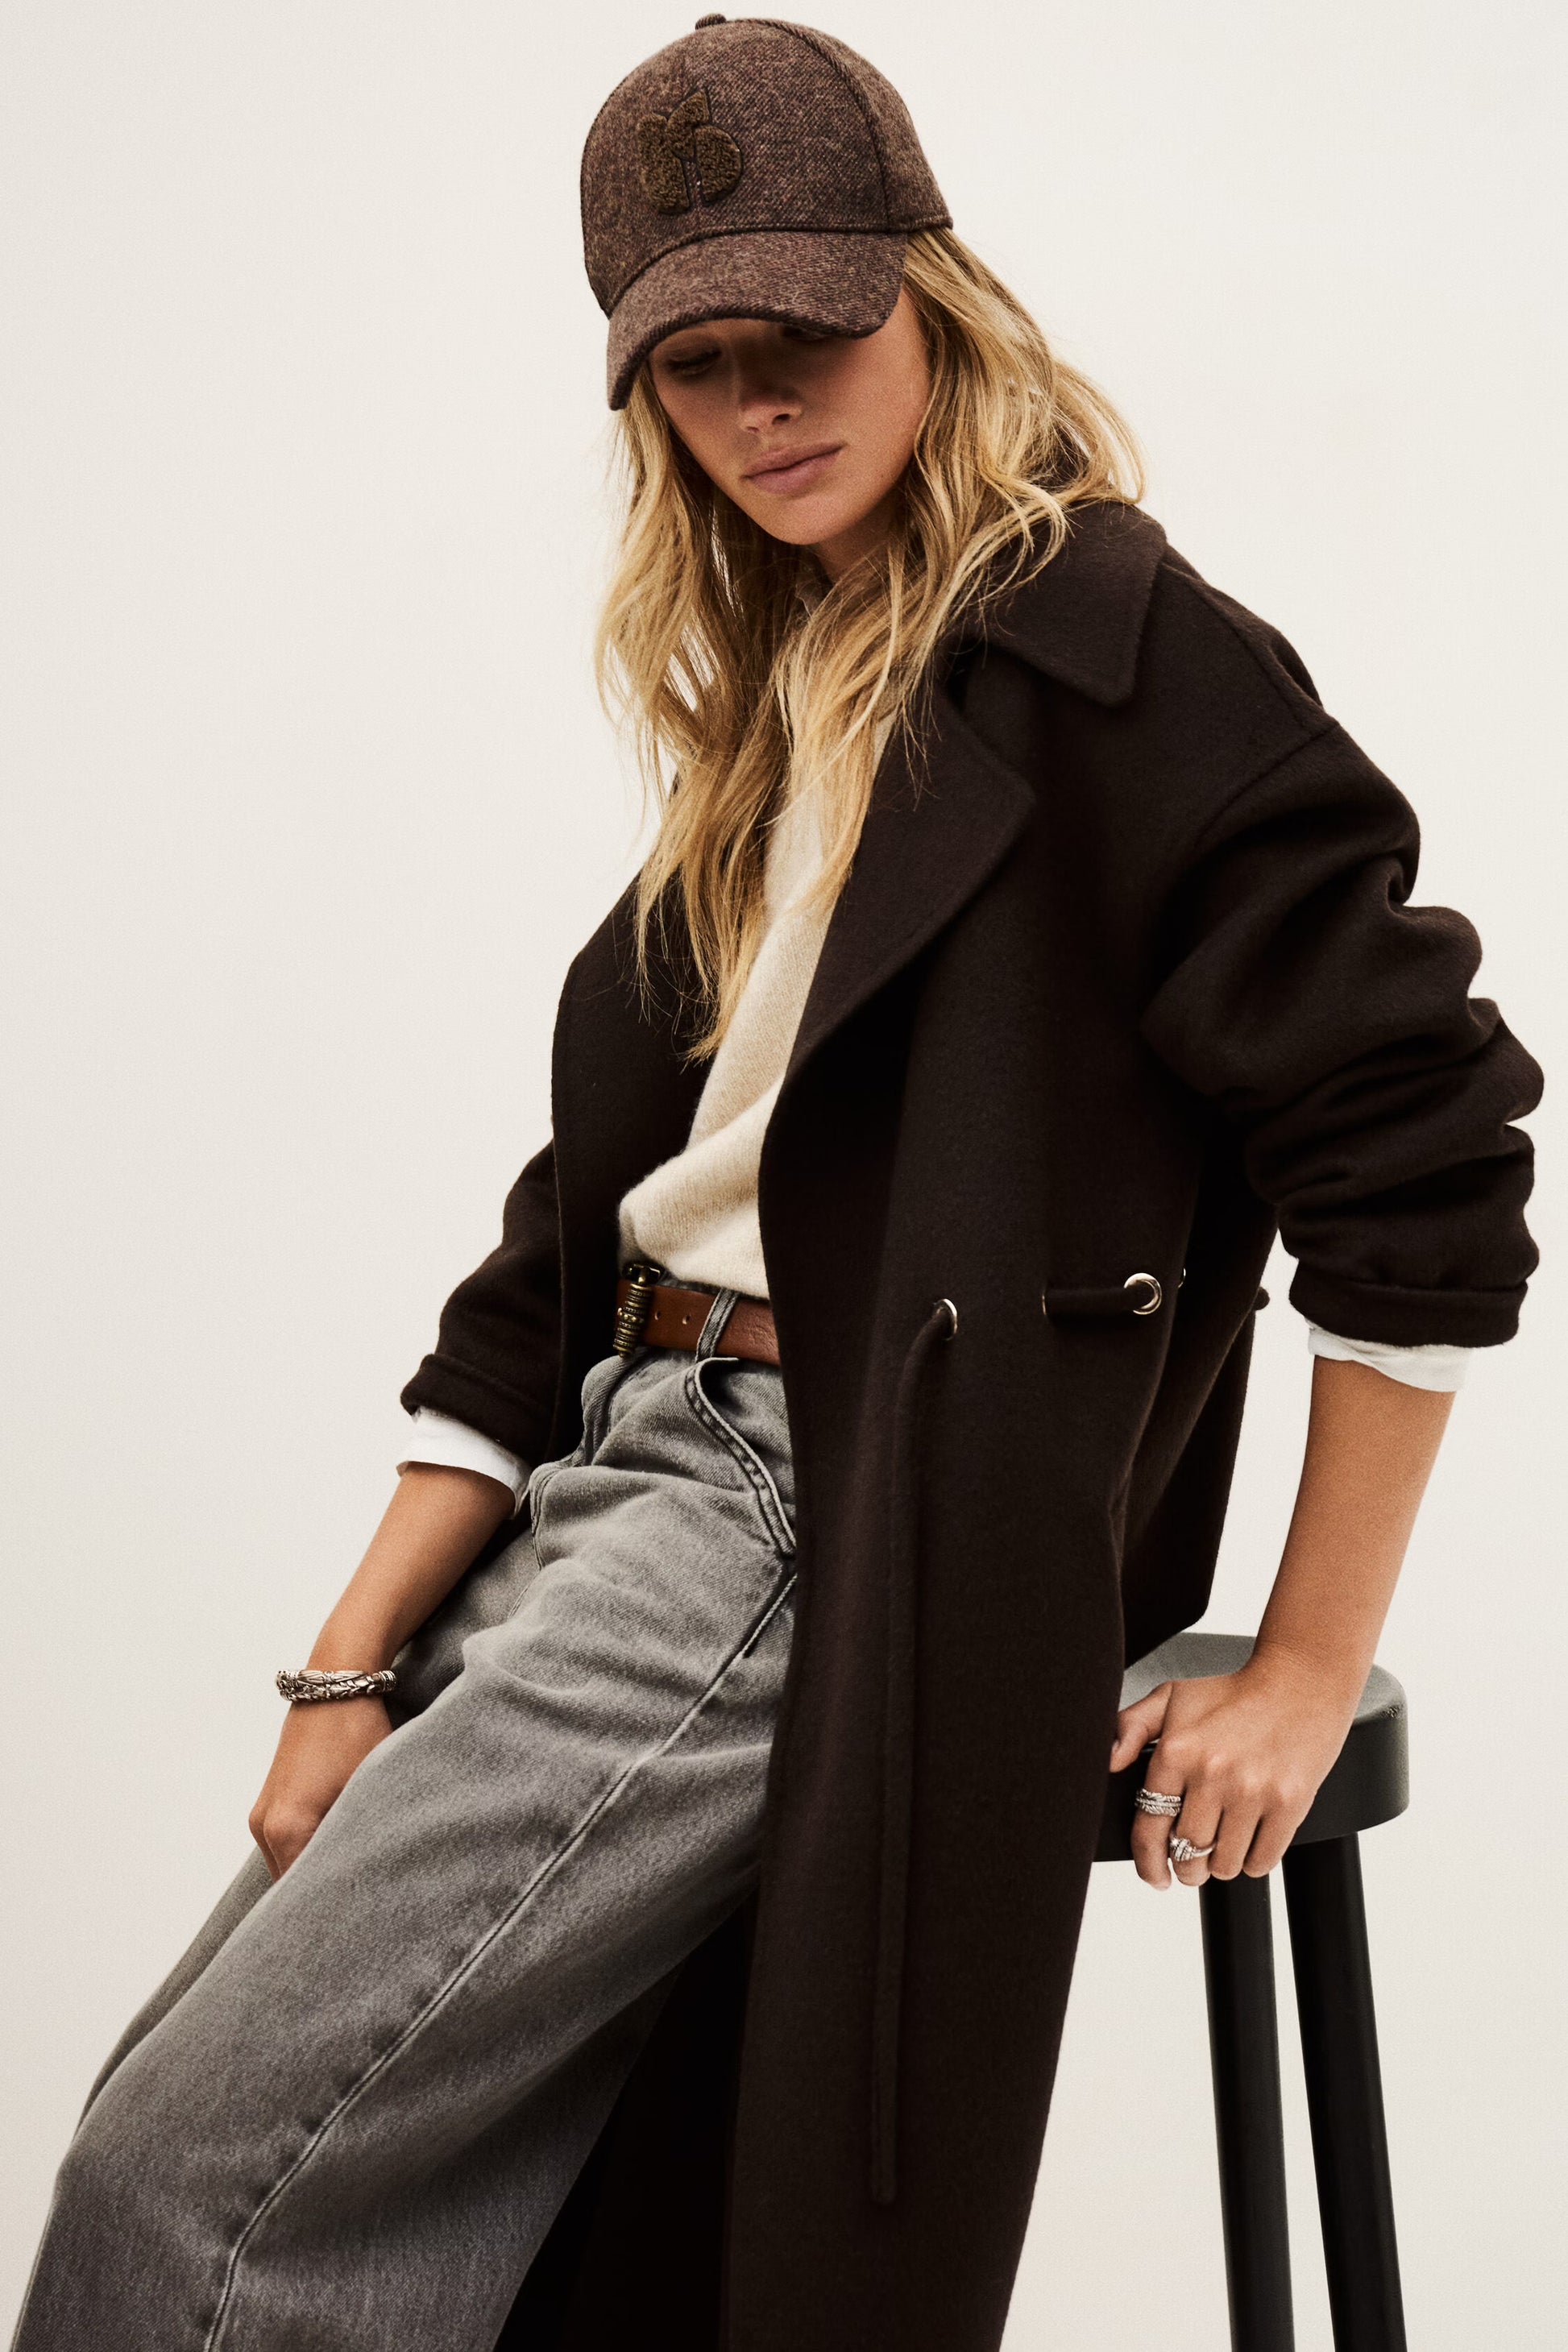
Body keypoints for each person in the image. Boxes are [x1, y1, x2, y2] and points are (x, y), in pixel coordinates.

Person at [12, 19, 1540, 2352]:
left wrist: (1309, 1660)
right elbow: (565, 1247)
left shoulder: (1117, 663)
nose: (762, 406)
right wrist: (346, 1667)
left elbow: (1419, 1148)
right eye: (693, 364)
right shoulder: (798, 694)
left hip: (803, 1509)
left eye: (808, 330)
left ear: (931, 292)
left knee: (198, 2190)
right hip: (618, 1488)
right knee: (217, 2131)